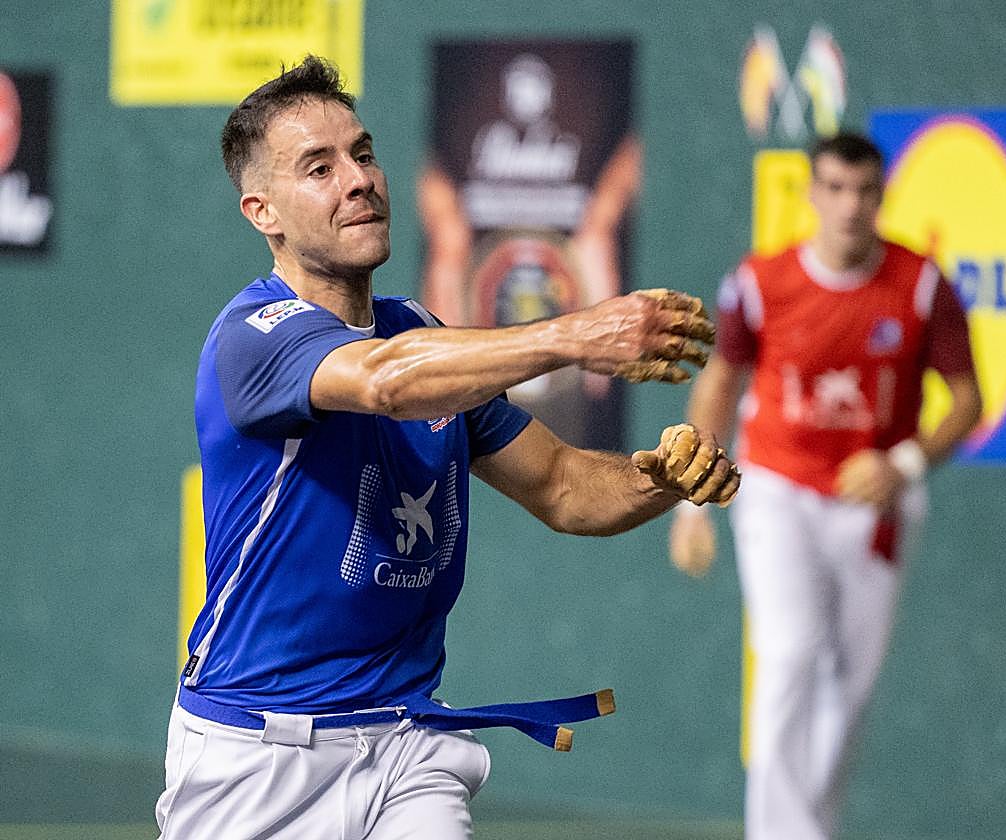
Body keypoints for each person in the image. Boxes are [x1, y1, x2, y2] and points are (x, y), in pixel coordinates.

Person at [155, 56, 739, 840]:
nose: (357, 180)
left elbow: (565, 486)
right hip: (259, 757)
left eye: (362, 154)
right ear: (264, 212)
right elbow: (386, 383)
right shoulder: (252, 339)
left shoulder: (421, 334)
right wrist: (573, 334)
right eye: (318, 168)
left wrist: (664, 481)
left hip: (408, 744)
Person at [669, 131, 982, 840]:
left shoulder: (922, 286)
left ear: (882, 196)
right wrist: (694, 504)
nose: (850, 206)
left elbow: (966, 401)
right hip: (777, 488)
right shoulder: (758, 284)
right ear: (811, 195)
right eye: (835, 189)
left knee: (852, 687)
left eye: (866, 191)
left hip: (876, 505)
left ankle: (813, 827)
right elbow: (720, 386)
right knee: (789, 655)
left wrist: (901, 463)